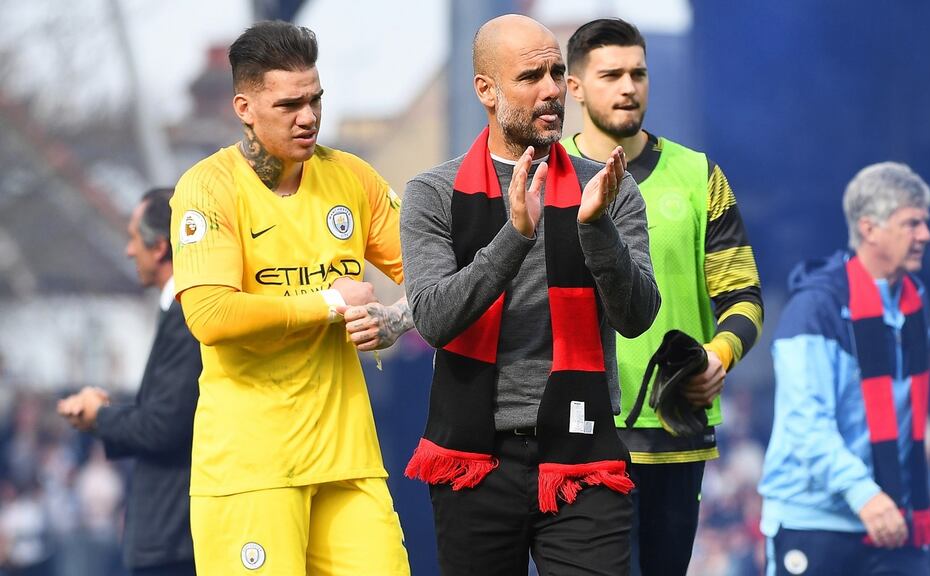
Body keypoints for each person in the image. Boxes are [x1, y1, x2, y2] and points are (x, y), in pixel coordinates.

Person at [400, 14, 660, 576]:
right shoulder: (432, 193)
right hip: (475, 461)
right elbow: (435, 318)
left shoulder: (608, 187)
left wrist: (596, 231)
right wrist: (514, 236)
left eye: (556, 72)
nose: (550, 90)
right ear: (485, 90)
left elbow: (638, 316)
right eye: (530, 77)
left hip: (583, 454)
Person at [169, 21, 413, 576]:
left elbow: (437, 275)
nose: (308, 116)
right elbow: (209, 314)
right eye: (289, 104)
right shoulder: (208, 188)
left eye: (316, 99)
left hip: (348, 461)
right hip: (252, 469)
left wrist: (397, 319)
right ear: (245, 107)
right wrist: (327, 302)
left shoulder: (352, 177)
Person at [561, 18, 764, 575]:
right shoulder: (547, 180)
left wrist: (718, 357)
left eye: (638, 73)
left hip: (676, 428)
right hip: (581, 428)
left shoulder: (699, 176)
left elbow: (744, 297)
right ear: (574, 87)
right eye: (611, 75)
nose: (628, 86)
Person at [758, 162, 930, 575]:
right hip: (814, 520)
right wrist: (865, 495)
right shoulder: (814, 309)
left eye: (924, 223)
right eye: (912, 223)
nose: (925, 235)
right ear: (870, 228)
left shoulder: (913, 302)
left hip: (892, 516)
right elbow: (807, 424)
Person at [57, 188, 201, 576]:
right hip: (172, 537)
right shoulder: (181, 310)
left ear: (158, 247)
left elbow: (165, 425)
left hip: (175, 541)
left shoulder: (189, 314)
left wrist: (98, 416)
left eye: (133, 238)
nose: (127, 250)